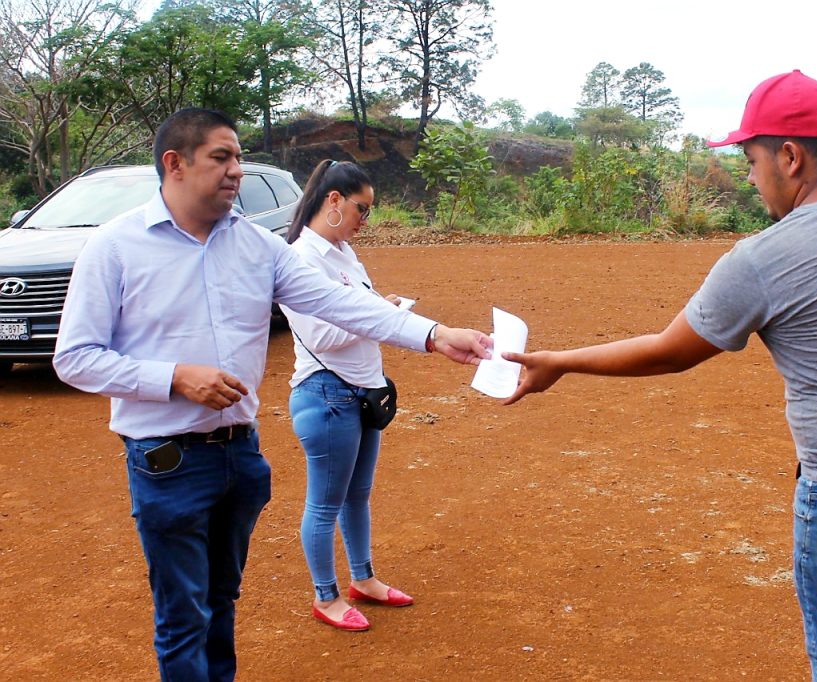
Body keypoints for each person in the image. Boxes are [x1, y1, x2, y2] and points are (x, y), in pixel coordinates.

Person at [503, 71, 817, 681]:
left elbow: (669, 352)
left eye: (751, 160)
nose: (750, 178)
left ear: (790, 157)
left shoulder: (762, 258)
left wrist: (560, 361)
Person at [52, 108, 490, 681]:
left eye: (238, 157)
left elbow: (341, 304)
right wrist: (174, 378)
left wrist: (435, 334)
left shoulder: (258, 247)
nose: (236, 169)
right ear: (175, 163)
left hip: (239, 455)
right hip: (167, 461)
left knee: (221, 601)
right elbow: (75, 357)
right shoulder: (115, 246)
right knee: (183, 616)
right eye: (221, 157)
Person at [279, 160, 415, 632]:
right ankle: (326, 596)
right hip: (326, 394)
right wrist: (379, 315)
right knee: (324, 503)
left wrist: (379, 309)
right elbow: (323, 334)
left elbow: (358, 313)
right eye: (362, 209)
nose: (365, 220)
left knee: (358, 495)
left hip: (362, 391)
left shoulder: (343, 254)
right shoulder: (300, 258)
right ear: (333, 199)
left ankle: (363, 579)